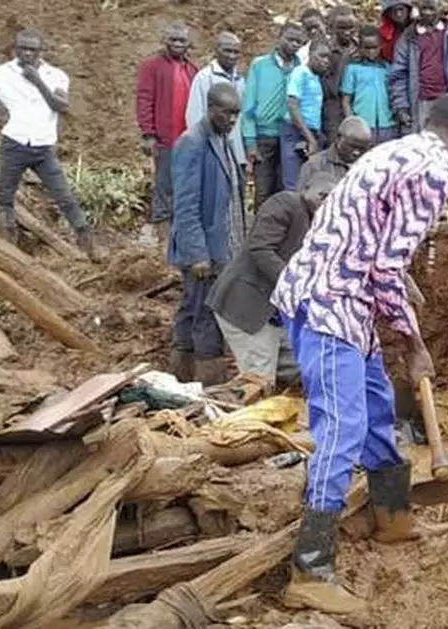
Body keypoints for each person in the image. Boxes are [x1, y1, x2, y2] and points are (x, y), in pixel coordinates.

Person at [270, 93, 448, 613]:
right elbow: (383, 268)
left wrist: (400, 280)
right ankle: (311, 568)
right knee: (341, 429)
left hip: (341, 297)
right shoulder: (433, 172)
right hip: (330, 305)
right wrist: (415, 347)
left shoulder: (395, 151)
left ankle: (392, 516)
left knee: (378, 408)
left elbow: (371, 240)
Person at [208, 174, 338, 386]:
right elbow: (260, 248)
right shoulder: (285, 203)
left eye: (331, 198)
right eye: (322, 195)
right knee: (259, 382)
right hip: (247, 309)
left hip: (277, 315)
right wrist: (293, 283)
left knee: (309, 365)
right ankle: (235, 415)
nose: (325, 201)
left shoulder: (322, 225)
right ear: (305, 189)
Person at [0, 29, 99, 260]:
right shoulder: (0, 74)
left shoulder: (56, 75)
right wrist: (0, 117)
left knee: (64, 196)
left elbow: (61, 105)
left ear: (41, 51)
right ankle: (11, 251)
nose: (27, 53)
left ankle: (89, 246)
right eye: (22, 48)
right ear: (15, 49)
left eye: (33, 49)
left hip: (44, 148)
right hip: (14, 144)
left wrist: (37, 81)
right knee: (5, 197)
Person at [167, 83, 245, 386]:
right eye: (228, 113)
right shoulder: (192, 143)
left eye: (237, 114)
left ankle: (182, 375)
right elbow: (185, 205)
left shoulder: (222, 139)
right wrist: (197, 253)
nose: (234, 120)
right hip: (204, 249)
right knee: (207, 314)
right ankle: (210, 380)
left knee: (193, 307)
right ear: (210, 108)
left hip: (222, 244)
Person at [137, 23, 198, 238]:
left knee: (183, 184)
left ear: (189, 43)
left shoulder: (192, 69)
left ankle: (179, 231)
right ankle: (162, 234)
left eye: (182, 40)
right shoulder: (152, 66)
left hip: (187, 139)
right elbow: (144, 99)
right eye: (173, 40)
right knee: (163, 184)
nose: (178, 44)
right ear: (166, 41)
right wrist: (148, 133)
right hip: (164, 138)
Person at [242, 23, 307, 209]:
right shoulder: (260, 65)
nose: (294, 45)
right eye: (290, 39)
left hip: (290, 136)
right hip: (264, 136)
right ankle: (260, 235)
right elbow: (248, 106)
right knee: (263, 191)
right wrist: (250, 142)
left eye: (298, 42)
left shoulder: (301, 68)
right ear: (279, 38)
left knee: (286, 189)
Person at [391, 0, 448, 134]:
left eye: (432, 8)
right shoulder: (408, 37)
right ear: (418, 7)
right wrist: (402, 106)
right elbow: (398, 74)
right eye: (424, 8)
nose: (428, 13)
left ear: (441, 7)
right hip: (421, 102)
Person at [186, 33, 245, 170]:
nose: (232, 56)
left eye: (236, 52)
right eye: (227, 50)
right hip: (212, 148)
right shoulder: (204, 77)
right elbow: (194, 115)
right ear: (216, 50)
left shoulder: (240, 80)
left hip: (236, 148)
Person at [283, 39, 332, 191]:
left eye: (328, 57)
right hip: (295, 131)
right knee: (294, 182)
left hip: (310, 133)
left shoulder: (316, 77)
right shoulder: (300, 72)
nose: (326, 61)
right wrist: (310, 137)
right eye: (321, 56)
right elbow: (292, 105)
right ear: (310, 54)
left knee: (308, 182)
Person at [342, 26, 397, 144]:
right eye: (367, 48)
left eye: (374, 47)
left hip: (387, 123)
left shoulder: (387, 68)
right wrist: (351, 122)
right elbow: (346, 100)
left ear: (381, 45)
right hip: (363, 123)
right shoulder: (352, 68)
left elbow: (394, 94)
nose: (371, 51)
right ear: (360, 48)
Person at [320, 6, 361, 145]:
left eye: (351, 28)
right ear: (332, 28)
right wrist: (344, 60)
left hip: (357, 104)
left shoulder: (359, 47)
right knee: (336, 144)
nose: (347, 32)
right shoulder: (326, 50)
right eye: (342, 28)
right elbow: (330, 88)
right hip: (333, 107)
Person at [298, 117, 373, 190]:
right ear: (338, 138)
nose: (356, 152)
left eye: (362, 149)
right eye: (351, 146)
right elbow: (300, 199)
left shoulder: (371, 166)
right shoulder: (315, 165)